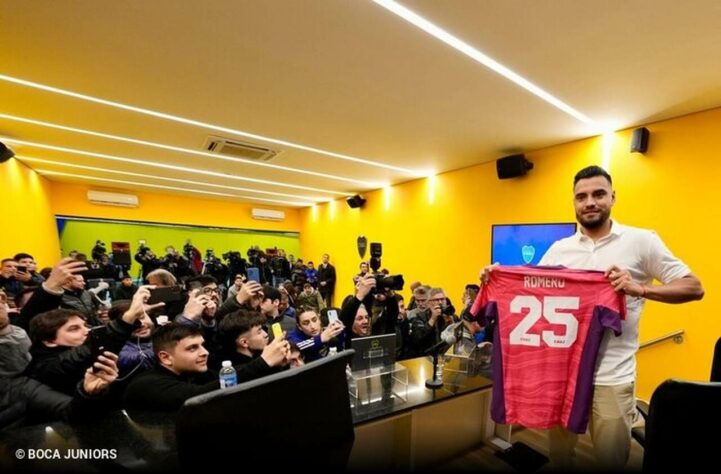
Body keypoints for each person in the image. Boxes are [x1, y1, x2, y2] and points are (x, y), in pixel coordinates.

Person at [482, 165, 704, 469]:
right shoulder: (560, 249)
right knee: (561, 456)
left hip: (612, 375)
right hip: (563, 374)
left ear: (613, 197)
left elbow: (694, 287)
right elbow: (532, 291)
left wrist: (638, 288)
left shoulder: (641, 241)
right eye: (581, 196)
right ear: (573, 203)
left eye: (599, 194)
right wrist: (497, 278)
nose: (590, 202)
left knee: (611, 459)